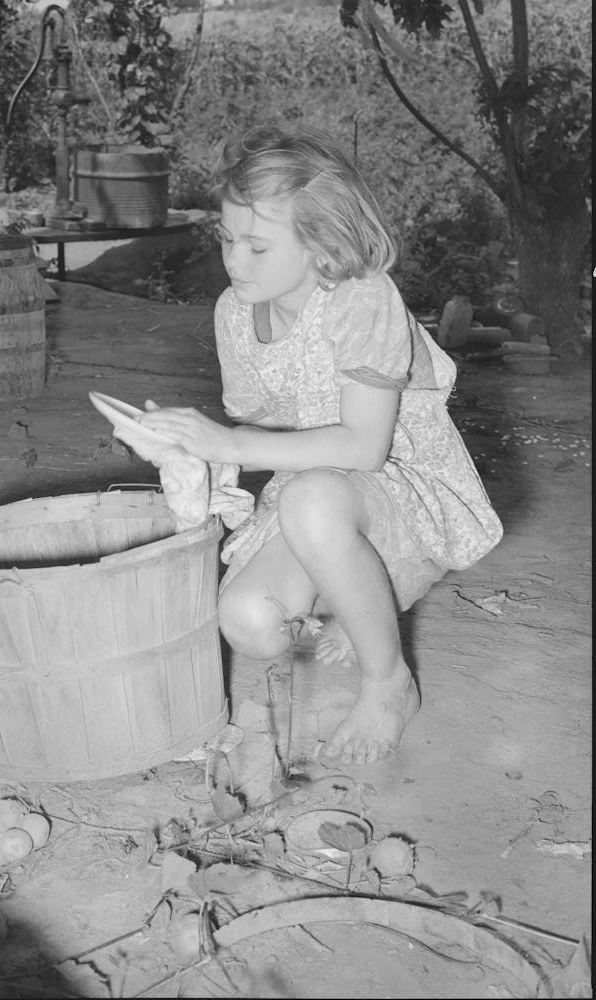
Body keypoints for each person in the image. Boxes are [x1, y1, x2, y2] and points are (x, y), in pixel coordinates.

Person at [135, 123, 503, 765]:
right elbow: (263, 432)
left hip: (401, 489)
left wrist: (233, 442)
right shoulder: (234, 312)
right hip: (318, 488)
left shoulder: (361, 299)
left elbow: (364, 448)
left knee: (310, 504)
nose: (234, 262)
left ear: (320, 244)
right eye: (227, 240)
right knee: (252, 624)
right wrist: (193, 454)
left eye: (257, 247)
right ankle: (353, 595)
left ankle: (388, 680)